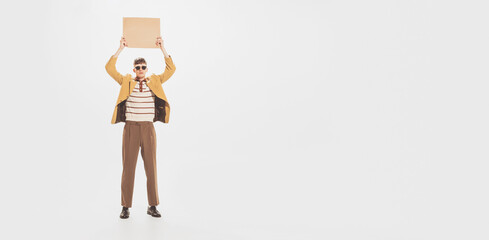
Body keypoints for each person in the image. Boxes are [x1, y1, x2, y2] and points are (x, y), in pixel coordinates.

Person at [105, 36, 176, 219]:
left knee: (151, 168)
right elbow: (109, 68)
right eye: (138, 67)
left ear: (147, 69)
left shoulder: (155, 81)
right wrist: (120, 48)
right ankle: (125, 207)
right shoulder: (126, 81)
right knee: (128, 168)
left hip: (148, 129)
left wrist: (162, 48)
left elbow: (171, 69)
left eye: (144, 67)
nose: (141, 70)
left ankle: (152, 205)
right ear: (134, 69)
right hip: (131, 128)